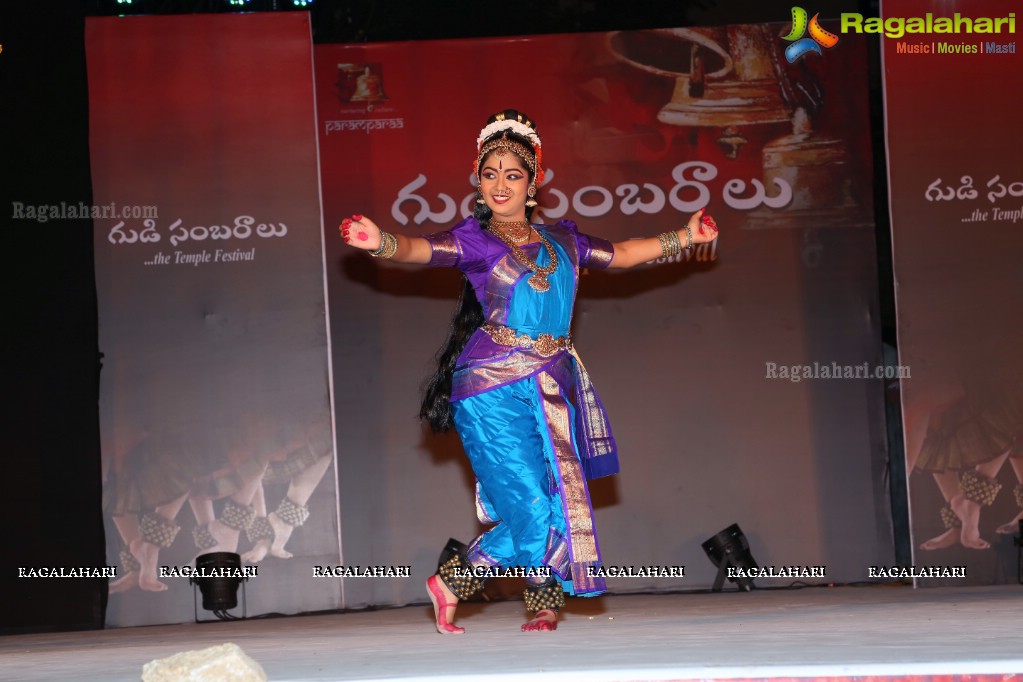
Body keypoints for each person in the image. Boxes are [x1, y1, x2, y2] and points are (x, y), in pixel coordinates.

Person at [340, 109, 718, 633]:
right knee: (536, 505)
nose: (500, 184)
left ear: (533, 184)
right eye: (490, 173)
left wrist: (686, 234)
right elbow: (418, 249)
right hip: (488, 387)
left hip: (549, 382)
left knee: (552, 500)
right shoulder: (476, 241)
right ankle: (503, 593)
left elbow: (628, 254)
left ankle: (457, 584)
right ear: (477, 180)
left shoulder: (565, 242)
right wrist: (380, 242)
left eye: (512, 174)